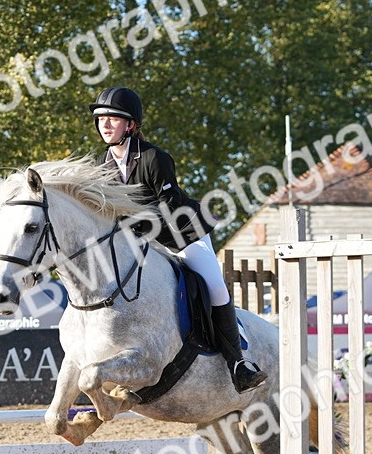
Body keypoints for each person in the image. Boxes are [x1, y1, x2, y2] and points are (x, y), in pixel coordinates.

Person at [88, 86, 267, 393]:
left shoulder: (154, 158)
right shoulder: (100, 167)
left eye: (113, 118)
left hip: (182, 235)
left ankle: (238, 364)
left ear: (129, 125)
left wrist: (133, 229)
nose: (105, 124)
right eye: (101, 118)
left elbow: (167, 208)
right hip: (140, 241)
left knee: (214, 287)